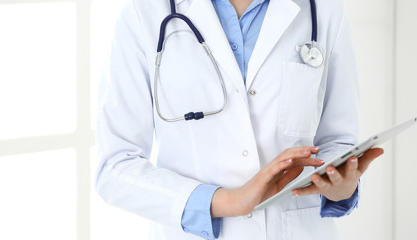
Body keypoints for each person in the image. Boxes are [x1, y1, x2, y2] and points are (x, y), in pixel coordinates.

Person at [95, 0, 384, 239]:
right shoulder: (143, 12)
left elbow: (337, 139)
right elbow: (115, 167)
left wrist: (342, 187)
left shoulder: (323, 9)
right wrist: (226, 202)